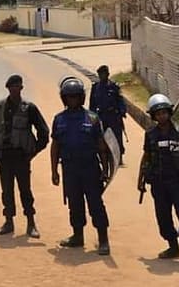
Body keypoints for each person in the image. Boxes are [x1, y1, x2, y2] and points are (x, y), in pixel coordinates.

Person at [0, 75, 49, 238]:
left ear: (21, 88)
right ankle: (8, 221)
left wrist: (34, 150)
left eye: (18, 87)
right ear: (8, 88)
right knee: (7, 191)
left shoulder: (29, 108)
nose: (15, 90)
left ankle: (31, 222)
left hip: (21, 157)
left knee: (25, 191)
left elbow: (43, 132)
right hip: (4, 157)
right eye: (12, 87)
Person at [138, 94, 179, 272]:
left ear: (169, 112)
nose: (161, 116)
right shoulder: (150, 135)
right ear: (153, 116)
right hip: (158, 184)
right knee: (163, 217)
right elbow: (146, 157)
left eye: (164, 113)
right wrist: (140, 179)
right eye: (157, 114)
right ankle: (173, 247)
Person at [50, 77, 112, 255]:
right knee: (74, 205)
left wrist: (105, 169)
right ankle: (77, 236)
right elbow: (55, 147)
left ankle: (103, 240)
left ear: (81, 98)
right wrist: (54, 171)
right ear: (64, 99)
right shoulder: (59, 119)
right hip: (70, 170)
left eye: (75, 97)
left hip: (90, 169)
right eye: (69, 97)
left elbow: (102, 146)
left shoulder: (92, 118)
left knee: (96, 205)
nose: (72, 100)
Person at [90, 65, 127, 165]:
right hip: (101, 116)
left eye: (104, 74)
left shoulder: (114, 86)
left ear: (108, 74)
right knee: (101, 137)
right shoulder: (95, 87)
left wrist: (122, 112)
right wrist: (92, 117)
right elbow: (92, 104)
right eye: (100, 74)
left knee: (117, 136)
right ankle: (104, 157)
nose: (102, 76)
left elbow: (120, 100)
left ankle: (119, 157)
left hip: (113, 116)